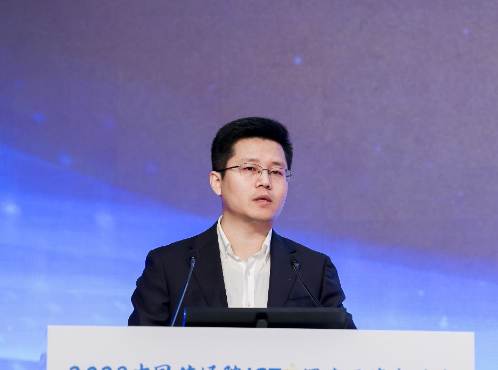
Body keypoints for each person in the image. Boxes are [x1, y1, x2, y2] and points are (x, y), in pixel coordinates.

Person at [128, 117, 355, 328]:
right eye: (250, 168)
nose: (265, 181)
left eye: (276, 172)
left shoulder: (313, 270)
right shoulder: (170, 267)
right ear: (217, 182)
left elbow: (348, 349)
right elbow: (139, 351)